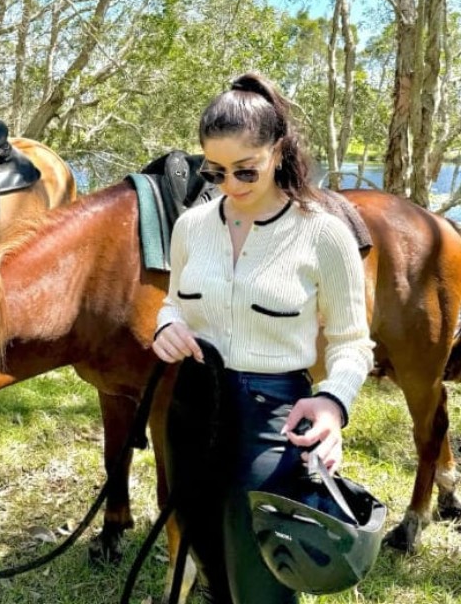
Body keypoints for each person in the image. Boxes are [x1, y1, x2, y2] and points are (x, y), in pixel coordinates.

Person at [152, 73, 375, 603]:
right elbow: (173, 302)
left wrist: (331, 403)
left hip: (273, 417)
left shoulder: (322, 232)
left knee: (263, 581)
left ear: (278, 151)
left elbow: (351, 342)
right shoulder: (192, 225)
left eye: (245, 169)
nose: (230, 183)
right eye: (215, 169)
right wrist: (166, 325)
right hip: (191, 408)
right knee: (208, 563)